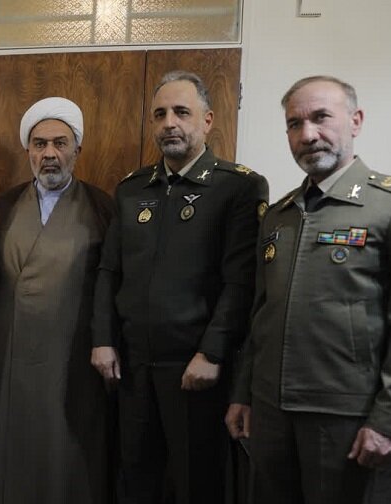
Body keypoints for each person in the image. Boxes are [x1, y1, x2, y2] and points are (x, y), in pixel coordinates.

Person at [225, 76, 391, 504]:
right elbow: (260, 314)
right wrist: (243, 394)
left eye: (321, 117)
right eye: (294, 123)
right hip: (270, 411)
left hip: (346, 416)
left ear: (355, 121)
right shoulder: (279, 215)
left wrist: (390, 420)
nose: (308, 134)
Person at [92, 71, 268, 504]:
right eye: (160, 114)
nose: (169, 122)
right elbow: (109, 271)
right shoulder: (132, 189)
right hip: (132, 366)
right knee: (135, 479)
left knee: (196, 482)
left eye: (181, 112)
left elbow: (241, 282)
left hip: (195, 369)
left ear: (207, 120)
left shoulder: (238, 187)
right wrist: (102, 340)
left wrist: (212, 353)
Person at [0, 97, 114, 503]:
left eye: (59, 143)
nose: (49, 154)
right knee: (14, 442)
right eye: (39, 144)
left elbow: (111, 283)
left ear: (77, 149)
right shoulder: (5, 205)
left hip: (73, 353)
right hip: (11, 350)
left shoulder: (101, 207)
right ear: (28, 151)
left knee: (66, 447)